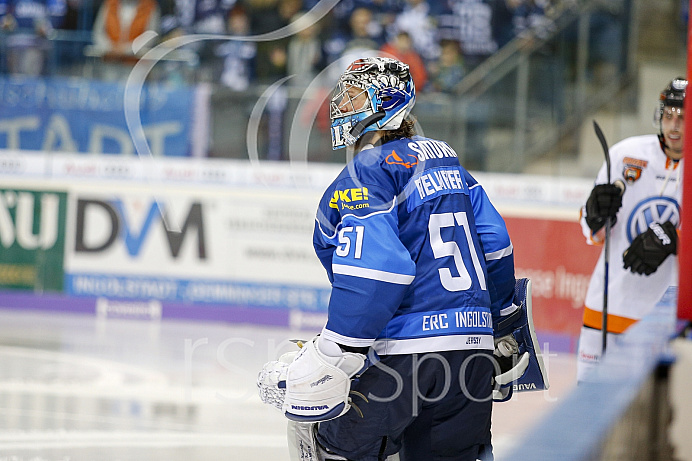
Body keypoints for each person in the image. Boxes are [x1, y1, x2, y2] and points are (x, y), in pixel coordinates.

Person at [258, 56, 529, 461]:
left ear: (384, 104)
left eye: (353, 97)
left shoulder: (367, 171)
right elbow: (495, 244)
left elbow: (379, 272)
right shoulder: (450, 164)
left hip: (404, 357)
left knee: (334, 447)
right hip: (470, 352)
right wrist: (502, 322)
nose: (341, 107)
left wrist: (337, 350)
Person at [576, 77, 685, 382]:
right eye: (668, 115)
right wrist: (595, 214)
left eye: (683, 117)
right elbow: (590, 230)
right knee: (588, 410)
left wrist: (676, 240)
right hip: (606, 306)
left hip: (664, 319)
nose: (674, 125)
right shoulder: (626, 153)